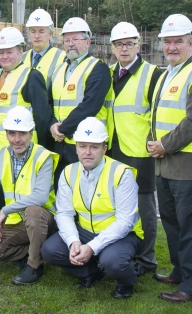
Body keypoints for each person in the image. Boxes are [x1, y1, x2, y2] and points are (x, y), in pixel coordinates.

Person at [147, 14, 192, 304]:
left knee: (191, 228)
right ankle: (180, 271)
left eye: (178, 41)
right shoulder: (166, 74)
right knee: (174, 224)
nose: (172, 47)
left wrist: (164, 145)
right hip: (166, 165)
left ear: (191, 42)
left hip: (191, 165)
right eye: (167, 42)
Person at [41, 117, 144, 299]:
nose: (87, 152)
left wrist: (92, 247)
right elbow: (64, 213)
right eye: (82, 146)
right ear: (76, 148)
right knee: (50, 250)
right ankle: (91, 271)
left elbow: (125, 222)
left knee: (113, 260)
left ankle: (126, 282)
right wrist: (74, 242)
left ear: (104, 149)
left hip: (122, 235)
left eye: (94, 147)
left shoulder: (122, 173)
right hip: (85, 231)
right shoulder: (68, 172)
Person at [0, 106, 58, 285]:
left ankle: (34, 266)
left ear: (31, 133)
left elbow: (40, 197)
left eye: (22, 133)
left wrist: (6, 210)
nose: (16, 139)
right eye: (11, 133)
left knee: (32, 211)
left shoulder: (43, 156)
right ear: (6, 134)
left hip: (45, 219)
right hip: (17, 222)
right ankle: (33, 250)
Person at [107, 22, 161, 277]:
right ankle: (121, 250)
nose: (124, 49)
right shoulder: (108, 74)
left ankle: (147, 259)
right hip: (113, 151)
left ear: (138, 45)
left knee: (144, 209)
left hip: (141, 153)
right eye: (119, 44)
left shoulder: (153, 74)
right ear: (113, 48)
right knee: (117, 205)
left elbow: (158, 115)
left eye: (129, 44)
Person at [48, 17, 112, 183]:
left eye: (75, 39)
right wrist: (52, 125)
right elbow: (51, 102)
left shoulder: (98, 68)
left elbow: (90, 105)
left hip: (86, 145)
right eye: (67, 40)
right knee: (62, 192)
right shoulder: (59, 69)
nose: (70, 44)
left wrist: (62, 130)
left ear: (88, 42)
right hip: (60, 144)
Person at [0, 27, 50, 151]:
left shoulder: (31, 76)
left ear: (21, 51)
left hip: (22, 148)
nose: (4, 56)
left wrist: (38, 149)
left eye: (9, 52)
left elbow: (42, 117)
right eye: (1, 52)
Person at [21, 8, 66, 89]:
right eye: (33, 31)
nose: (37, 36)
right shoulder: (21, 58)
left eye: (41, 31)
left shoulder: (62, 57)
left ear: (50, 33)